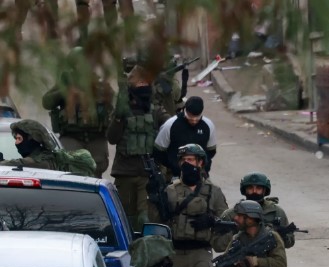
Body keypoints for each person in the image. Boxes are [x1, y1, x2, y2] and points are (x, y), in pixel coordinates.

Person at [152, 143, 229, 267]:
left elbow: (228, 221)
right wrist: (154, 199)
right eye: (184, 160)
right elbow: (157, 223)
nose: (187, 164)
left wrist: (212, 221)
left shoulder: (213, 192)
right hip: (176, 254)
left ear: (200, 163)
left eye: (191, 160)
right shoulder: (170, 191)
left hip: (201, 253)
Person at [107, 64, 170, 231]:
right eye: (138, 82)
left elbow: (170, 127)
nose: (142, 85)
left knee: (146, 218)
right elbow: (112, 138)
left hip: (148, 174)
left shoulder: (156, 110)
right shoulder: (122, 109)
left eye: (145, 82)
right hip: (125, 172)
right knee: (124, 219)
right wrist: (118, 117)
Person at [42, 46, 114, 179]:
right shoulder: (65, 83)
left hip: (96, 137)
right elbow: (47, 102)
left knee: (96, 171)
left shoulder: (98, 82)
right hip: (71, 136)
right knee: (70, 171)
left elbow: (111, 103)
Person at [221, 172, 295, 249]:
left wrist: (281, 236)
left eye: (258, 188)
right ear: (245, 190)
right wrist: (237, 231)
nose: (254, 191)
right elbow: (218, 246)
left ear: (264, 190)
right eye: (250, 188)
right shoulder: (232, 214)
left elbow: (290, 243)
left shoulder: (277, 212)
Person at [154, 96, 217, 178]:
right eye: (190, 117)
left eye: (197, 117)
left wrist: (201, 166)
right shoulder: (170, 125)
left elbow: (211, 151)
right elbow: (159, 151)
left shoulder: (208, 125)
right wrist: (174, 166)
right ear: (185, 110)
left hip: (199, 175)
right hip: (175, 175)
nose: (194, 120)